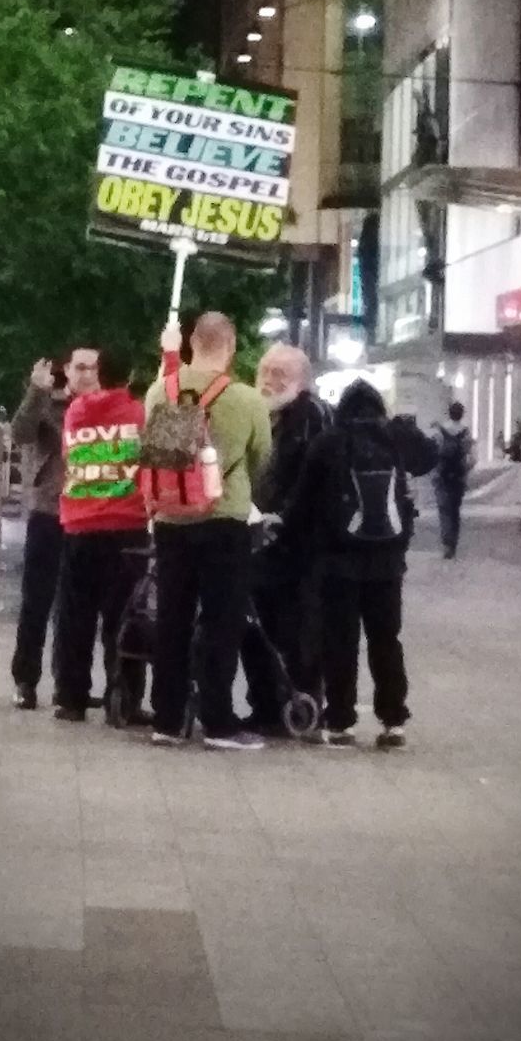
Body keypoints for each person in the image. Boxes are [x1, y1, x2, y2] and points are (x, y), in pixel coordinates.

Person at [283, 381, 437, 749]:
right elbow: (430, 456)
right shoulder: (394, 439)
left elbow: (302, 502)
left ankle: (341, 723)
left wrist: (289, 531)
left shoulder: (328, 442)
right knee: (386, 640)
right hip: (388, 563)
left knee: (341, 642)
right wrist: (404, 427)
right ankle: (393, 721)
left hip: (338, 563)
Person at [145, 312, 272, 750]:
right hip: (224, 520)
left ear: (193, 343)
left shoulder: (161, 389)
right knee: (222, 621)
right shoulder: (246, 399)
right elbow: (262, 458)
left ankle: (166, 718)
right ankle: (218, 722)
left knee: (172, 620)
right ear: (231, 346)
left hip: (169, 520)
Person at [52, 346, 149, 723]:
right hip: (126, 526)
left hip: (78, 524)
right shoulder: (137, 413)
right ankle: (122, 699)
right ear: (129, 377)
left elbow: (67, 456)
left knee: (75, 615)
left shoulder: (75, 413)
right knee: (123, 617)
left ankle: (70, 697)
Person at [240, 344, 331, 734]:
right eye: (265, 371)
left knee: (295, 630)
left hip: (298, 546)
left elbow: (312, 480)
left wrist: (285, 518)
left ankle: (299, 703)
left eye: (280, 373)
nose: (269, 380)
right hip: (261, 540)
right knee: (256, 623)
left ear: (302, 380)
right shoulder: (261, 413)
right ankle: (266, 704)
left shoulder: (311, 416)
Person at [9, 346, 98, 710]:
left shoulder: (104, 411)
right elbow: (21, 433)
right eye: (80, 367)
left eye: (93, 368)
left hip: (90, 516)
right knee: (37, 601)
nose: (87, 374)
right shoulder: (51, 404)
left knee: (76, 607)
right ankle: (25, 681)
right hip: (50, 512)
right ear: (67, 370)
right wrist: (36, 391)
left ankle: (70, 685)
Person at [432, 402, 476, 559]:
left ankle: (446, 543)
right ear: (462, 414)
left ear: (448, 413)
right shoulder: (466, 432)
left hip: (442, 475)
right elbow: (472, 459)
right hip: (458, 476)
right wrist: (464, 471)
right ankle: (453, 543)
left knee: (444, 510)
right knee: (455, 510)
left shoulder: (439, 431)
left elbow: (434, 454)